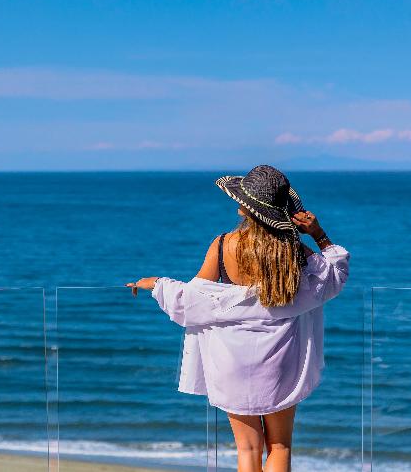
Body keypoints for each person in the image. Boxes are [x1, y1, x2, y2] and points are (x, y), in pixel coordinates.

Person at [127, 165, 350, 472]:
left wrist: (155, 284)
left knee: (247, 449)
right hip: (281, 357)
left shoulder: (224, 244)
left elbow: (194, 299)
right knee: (280, 446)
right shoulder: (291, 248)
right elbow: (334, 276)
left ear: (247, 207)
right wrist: (318, 234)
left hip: (231, 359)